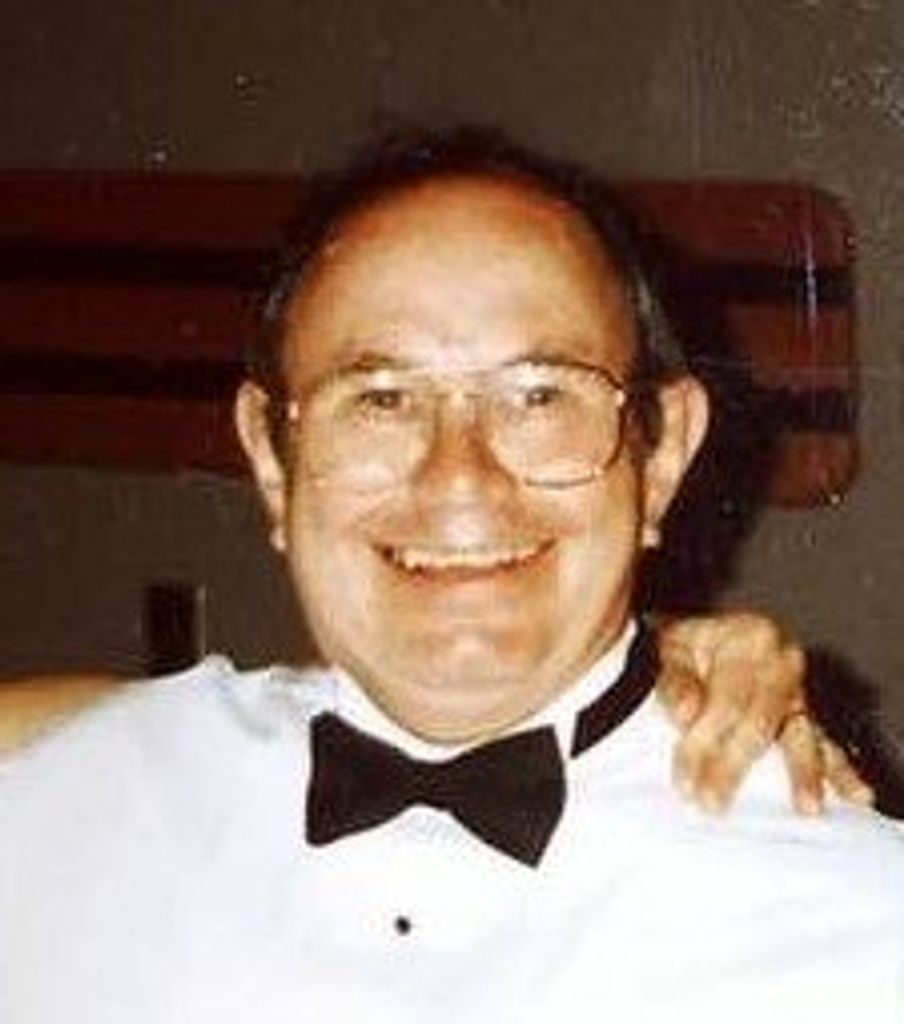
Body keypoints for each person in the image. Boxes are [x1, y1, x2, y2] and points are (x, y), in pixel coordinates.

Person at [1, 130, 899, 1023]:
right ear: (273, 462)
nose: (459, 481)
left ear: (661, 457)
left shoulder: (863, 927)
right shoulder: (61, 798)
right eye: (382, 399)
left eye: (539, 395)